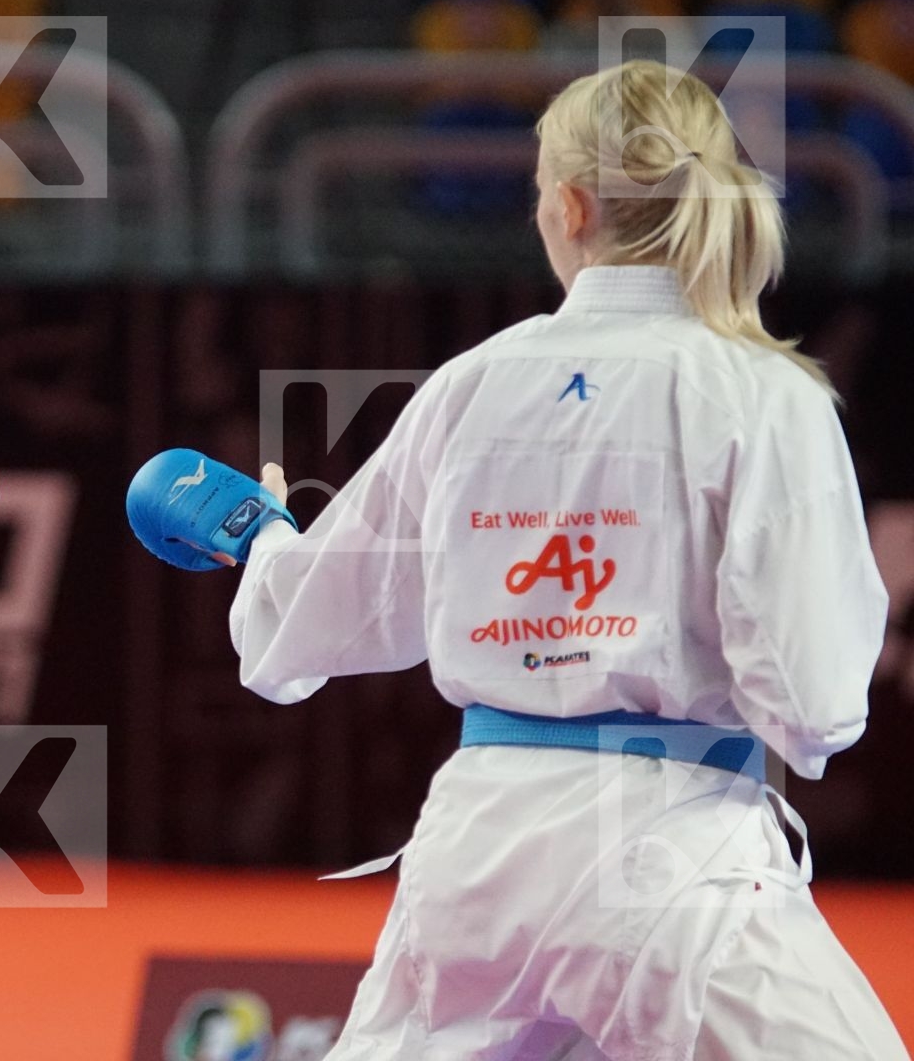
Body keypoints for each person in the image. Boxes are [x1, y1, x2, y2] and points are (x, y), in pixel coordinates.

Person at [228, 61, 906, 1059]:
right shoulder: (763, 393)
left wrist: (264, 539)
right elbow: (813, 706)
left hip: (481, 850)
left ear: (573, 206)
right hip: (673, 856)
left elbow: (294, 633)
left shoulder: (474, 383)